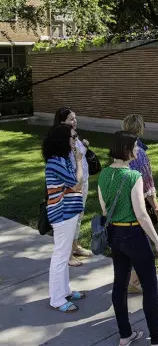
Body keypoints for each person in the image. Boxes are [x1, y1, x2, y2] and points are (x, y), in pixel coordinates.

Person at [98, 131, 158, 346]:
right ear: (126, 149)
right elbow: (142, 215)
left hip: (115, 235)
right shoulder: (133, 176)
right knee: (150, 287)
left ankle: (125, 334)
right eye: (135, 147)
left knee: (120, 284)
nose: (138, 150)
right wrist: (157, 242)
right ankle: (157, 341)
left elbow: (105, 210)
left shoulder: (104, 174)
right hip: (134, 235)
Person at [42, 124, 86, 312]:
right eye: (72, 137)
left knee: (64, 252)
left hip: (69, 211)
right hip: (61, 213)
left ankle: (65, 290)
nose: (75, 140)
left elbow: (73, 185)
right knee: (61, 255)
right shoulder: (55, 162)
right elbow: (77, 183)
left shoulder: (62, 159)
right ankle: (57, 299)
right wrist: (78, 162)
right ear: (62, 140)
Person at [122, 114, 158, 293]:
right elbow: (146, 182)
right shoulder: (139, 152)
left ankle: (128, 277)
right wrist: (155, 205)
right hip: (137, 204)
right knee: (144, 245)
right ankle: (134, 281)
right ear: (139, 128)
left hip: (123, 205)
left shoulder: (120, 148)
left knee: (129, 244)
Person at [54, 107, 92, 266]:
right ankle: (67, 255)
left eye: (75, 118)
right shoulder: (62, 139)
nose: (74, 121)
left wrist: (83, 145)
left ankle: (74, 245)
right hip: (72, 184)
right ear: (62, 122)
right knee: (70, 218)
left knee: (79, 215)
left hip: (83, 180)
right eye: (71, 119)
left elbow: (78, 155)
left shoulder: (74, 135)